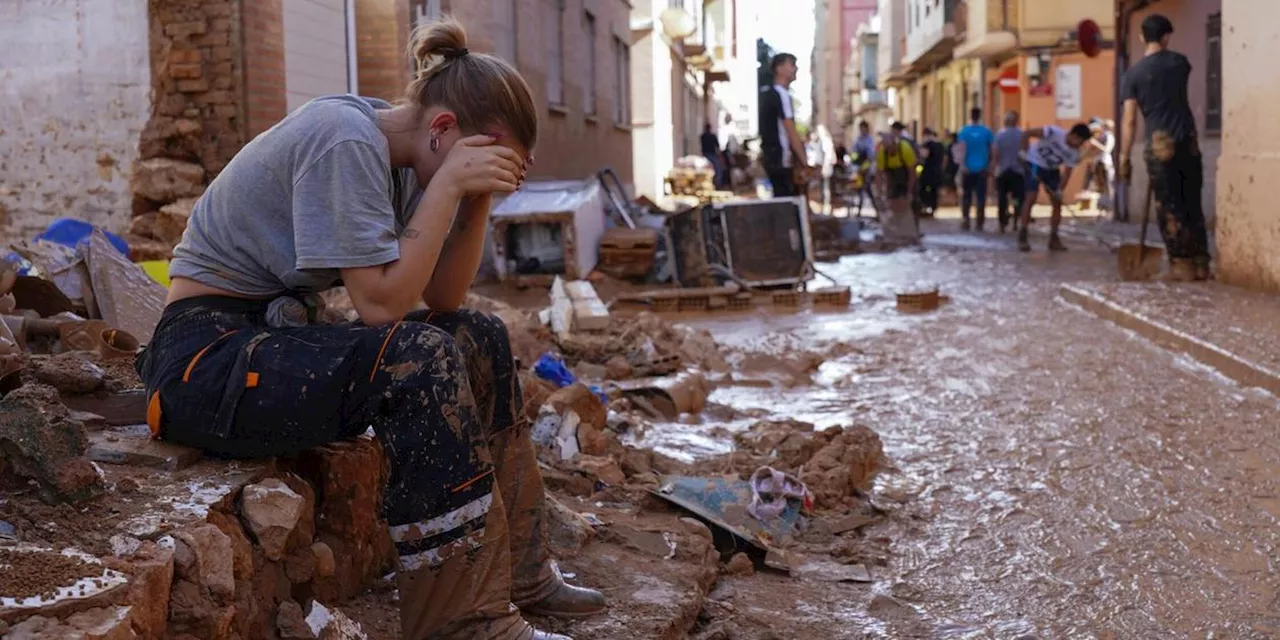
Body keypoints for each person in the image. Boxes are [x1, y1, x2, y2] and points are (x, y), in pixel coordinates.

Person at [137, 19, 604, 640]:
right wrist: (450, 187)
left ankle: (523, 575)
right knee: (419, 356)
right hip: (206, 360)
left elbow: (442, 294)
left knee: (477, 336)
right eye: (482, 156)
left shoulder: (411, 155)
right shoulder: (345, 140)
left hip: (269, 338)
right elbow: (381, 305)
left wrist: (475, 197)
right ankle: (462, 623)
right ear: (442, 129)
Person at [1120, 13, 1211, 281]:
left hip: (1159, 144)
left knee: (1168, 205)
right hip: (1188, 141)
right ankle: (1201, 263)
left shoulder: (1133, 75)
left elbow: (1129, 121)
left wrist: (1124, 157)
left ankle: (1180, 265)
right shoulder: (1180, 63)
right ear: (1166, 36)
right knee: (1192, 202)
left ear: (1141, 37)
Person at [1016, 123, 1092, 252]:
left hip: (1052, 170)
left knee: (1057, 203)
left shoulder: (1074, 153)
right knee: (1031, 197)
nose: (1080, 144)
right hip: (1035, 163)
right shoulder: (1053, 132)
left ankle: (1054, 238)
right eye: (1080, 141)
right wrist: (1023, 151)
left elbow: (1067, 173)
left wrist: (1059, 190)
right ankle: (1023, 235)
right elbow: (1027, 133)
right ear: (1073, 135)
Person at [759, 52, 810, 197]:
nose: (795, 69)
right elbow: (790, 129)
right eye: (792, 64)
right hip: (781, 159)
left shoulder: (768, 93)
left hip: (771, 157)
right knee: (787, 203)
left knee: (780, 201)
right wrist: (803, 161)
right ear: (779, 68)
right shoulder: (781, 94)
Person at [876, 122, 920, 242]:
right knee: (893, 203)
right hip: (893, 180)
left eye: (891, 149)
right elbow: (879, 174)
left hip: (907, 177)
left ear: (895, 144)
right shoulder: (882, 153)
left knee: (912, 204)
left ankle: (913, 232)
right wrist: (879, 192)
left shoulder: (905, 149)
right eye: (887, 149)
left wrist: (909, 192)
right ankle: (896, 232)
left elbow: (912, 172)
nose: (890, 152)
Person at [956, 108, 996, 231]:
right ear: (980, 116)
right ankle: (979, 221)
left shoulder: (964, 131)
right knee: (980, 196)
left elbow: (960, 150)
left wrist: (962, 166)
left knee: (966, 196)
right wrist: (990, 166)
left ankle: (966, 219)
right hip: (982, 168)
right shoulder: (986, 131)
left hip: (967, 169)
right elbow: (992, 149)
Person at [992, 110, 1026, 234]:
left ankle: (1002, 223)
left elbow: (996, 154)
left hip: (1003, 172)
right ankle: (1016, 221)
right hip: (1018, 172)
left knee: (1002, 197)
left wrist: (993, 169)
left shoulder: (1000, 135)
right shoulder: (1022, 134)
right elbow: (1026, 152)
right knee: (1017, 198)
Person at [918, 128, 946, 216]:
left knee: (923, 189)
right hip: (937, 170)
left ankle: (925, 206)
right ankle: (933, 208)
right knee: (934, 190)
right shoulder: (940, 144)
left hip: (928, 170)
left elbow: (923, 156)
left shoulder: (927, 144)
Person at [701, 122, 725, 188]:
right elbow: (717, 146)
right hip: (711, 155)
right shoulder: (712, 136)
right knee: (718, 169)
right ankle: (718, 184)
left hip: (706, 154)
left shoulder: (703, 136)